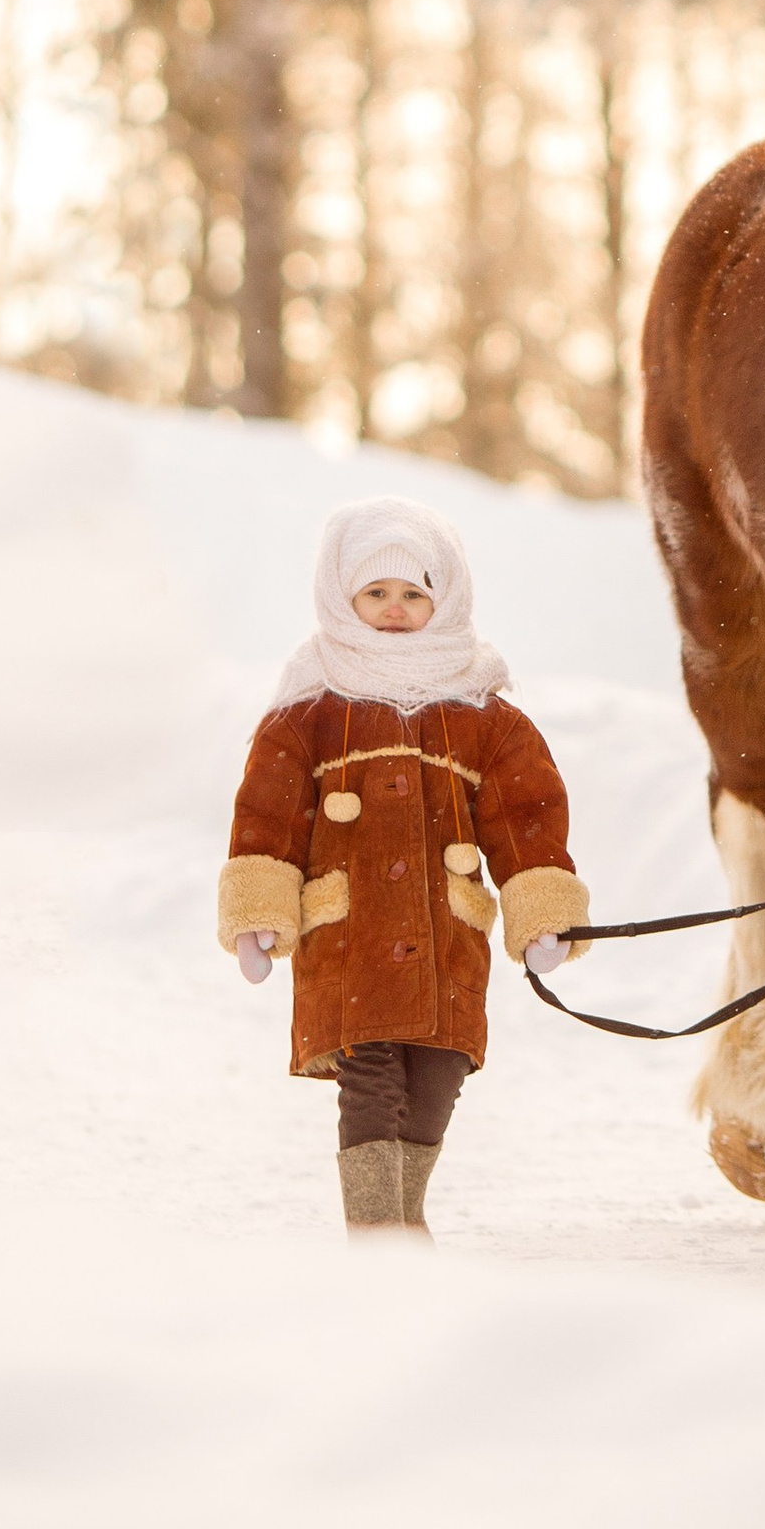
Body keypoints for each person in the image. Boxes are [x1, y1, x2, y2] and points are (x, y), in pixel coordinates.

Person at [218, 496, 591, 1235]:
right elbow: (268, 814)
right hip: (348, 938)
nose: (394, 609)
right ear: (343, 596)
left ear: (444, 597)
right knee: (371, 1078)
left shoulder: (483, 711)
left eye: (414, 593)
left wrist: (543, 912)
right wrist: (259, 913)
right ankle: (378, 1234)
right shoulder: (309, 708)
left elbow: (525, 817)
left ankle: (401, 1218)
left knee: (436, 1079)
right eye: (376, 593)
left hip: (443, 939)